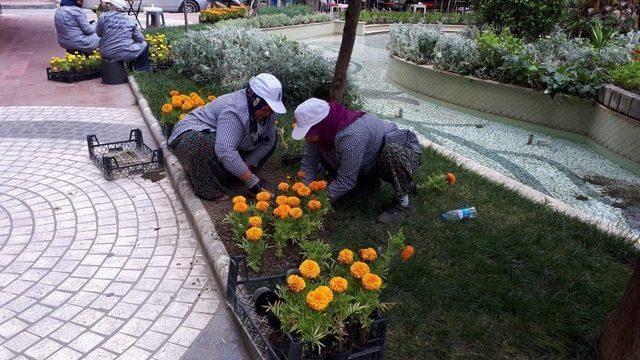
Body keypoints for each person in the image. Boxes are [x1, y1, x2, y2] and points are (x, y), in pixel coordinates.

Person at [292, 98, 422, 224]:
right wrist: (304, 192)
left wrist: (317, 202)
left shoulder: (350, 136)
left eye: (308, 131)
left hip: (402, 152)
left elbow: (346, 180)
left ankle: (403, 203)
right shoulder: (322, 132)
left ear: (321, 126)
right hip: (369, 161)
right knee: (352, 189)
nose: (306, 137)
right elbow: (309, 163)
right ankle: (369, 183)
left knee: (392, 153)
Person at [168, 73, 287, 201]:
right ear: (255, 101)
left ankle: (231, 174)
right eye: (265, 109)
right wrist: (252, 181)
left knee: (271, 137)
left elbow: (268, 142)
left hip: (230, 142)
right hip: (197, 131)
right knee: (196, 143)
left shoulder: (268, 113)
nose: (268, 113)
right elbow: (225, 150)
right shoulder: (234, 110)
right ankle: (208, 188)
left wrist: (246, 167)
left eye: (271, 109)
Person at [97, 0, 150, 72]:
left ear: (112, 5)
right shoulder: (130, 19)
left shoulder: (103, 16)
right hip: (124, 53)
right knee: (144, 44)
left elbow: (99, 34)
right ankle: (140, 70)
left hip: (106, 52)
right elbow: (140, 39)